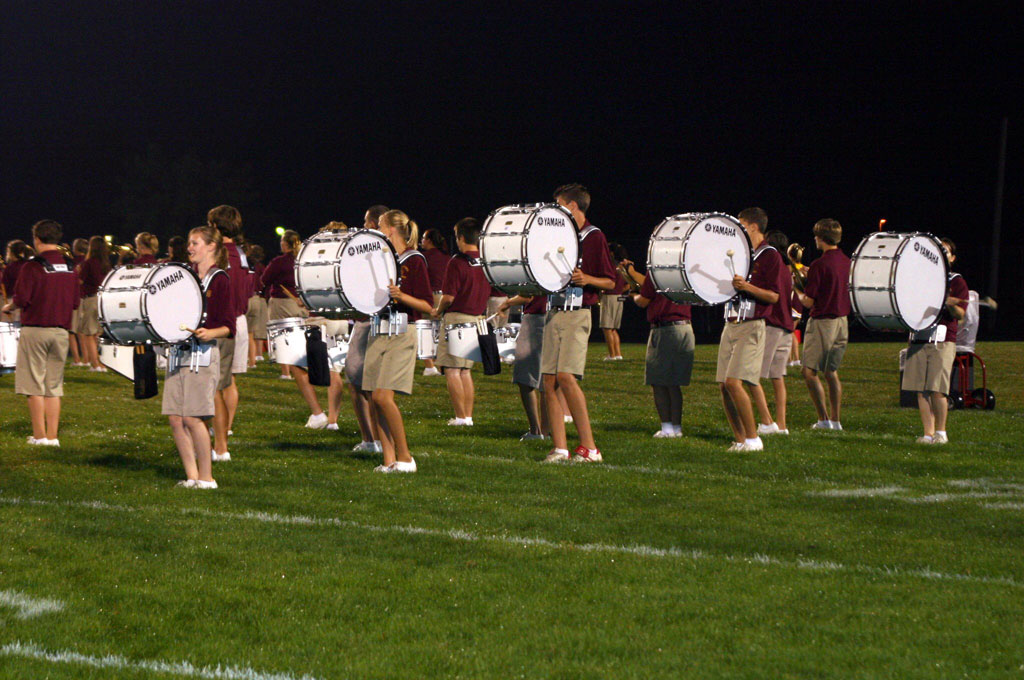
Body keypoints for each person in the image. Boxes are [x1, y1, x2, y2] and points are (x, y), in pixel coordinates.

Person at [541, 183, 617, 463]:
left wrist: (587, 279)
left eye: (560, 204)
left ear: (573, 206)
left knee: (566, 377)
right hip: (554, 310)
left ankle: (590, 447)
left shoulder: (594, 236)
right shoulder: (556, 236)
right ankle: (560, 447)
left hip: (577, 312)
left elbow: (610, 281)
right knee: (549, 381)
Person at [363, 210, 434, 472]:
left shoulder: (414, 260)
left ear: (392, 229)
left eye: (380, 225)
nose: (376, 229)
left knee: (383, 397)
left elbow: (427, 305)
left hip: (402, 332)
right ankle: (388, 460)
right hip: (379, 329)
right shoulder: (384, 259)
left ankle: (405, 457)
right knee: (373, 396)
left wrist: (401, 296)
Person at [163, 225, 233, 489]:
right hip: (178, 351)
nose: (190, 248)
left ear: (211, 246)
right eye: (189, 243)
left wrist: (209, 332)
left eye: (195, 243)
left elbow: (229, 327)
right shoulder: (185, 276)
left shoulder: (220, 279)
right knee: (175, 417)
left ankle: (207, 477)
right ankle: (191, 476)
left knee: (193, 417)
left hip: (203, 354)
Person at [2, 220, 80, 446]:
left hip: (35, 330)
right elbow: (75, 302)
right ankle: (52, 437)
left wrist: (9, 307)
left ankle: (39, 436)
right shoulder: (70, 266)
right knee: (53, 387)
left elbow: (22, 298)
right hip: (61, 332)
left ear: (36, 239)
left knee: (33, 385)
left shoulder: (32, 266)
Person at [717, 207, 784, 452]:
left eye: (742, 225)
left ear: (754, 227)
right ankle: (740, 439)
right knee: (724, 386)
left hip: (752, 324)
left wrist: (746, 287)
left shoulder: (770, 256)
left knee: (734, 383)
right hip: (731, 322)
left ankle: (754, 438)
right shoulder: (742, 254)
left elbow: (774, 296)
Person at [262, 228, 330, 431]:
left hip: (283, 306)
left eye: (283, 241)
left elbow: (264, 280)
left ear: (287, 244)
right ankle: (323, 413)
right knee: (301, 358)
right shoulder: (306, 259)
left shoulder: (280, 262)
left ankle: (318, 413)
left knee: (294, 361)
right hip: (304, 308)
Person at [902, 238, 968, 444]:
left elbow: (960, 314)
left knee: (938, 389)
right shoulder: (922, 278)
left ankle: (941, 433)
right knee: (921, 391)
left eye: (947, 252)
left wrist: (948, 302)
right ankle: (928, 433)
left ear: (953, 258)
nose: (942, 255)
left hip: (942, 339)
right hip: (919, 337)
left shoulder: (956, 281)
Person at [432, 217, 490, 426]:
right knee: (465, 371)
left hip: (457, 318)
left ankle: (460, 417)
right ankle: (468, 416)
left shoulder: (457, 261)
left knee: (452, 370)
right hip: (477, 318)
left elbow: (448, 298)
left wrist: (437, 311)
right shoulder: (484, 261)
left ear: (461, 237)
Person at [798, 218, 851, 431]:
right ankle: (836, 421)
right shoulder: (847, 261)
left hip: (822, 323)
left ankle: (823, 419)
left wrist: (796, 290)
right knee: (831, 372)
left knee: (809, 372)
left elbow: (808, 301)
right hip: (842, 322)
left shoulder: (820, 264)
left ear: (821, 238)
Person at [207, 205, 250, 452]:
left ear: (215, 225)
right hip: (240, 319)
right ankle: (227, 427)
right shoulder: (241, 252)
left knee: (216, 383)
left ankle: (220, 440)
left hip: (224, 323)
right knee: (229, 381)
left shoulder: (218, 253)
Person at [632, 270, 694, 438]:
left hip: (665, 329)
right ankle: (676, 427)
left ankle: (667, 427)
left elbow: (644, 300)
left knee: (658, 382)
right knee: (673, 383)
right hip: (685, 327)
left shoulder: (656, 271)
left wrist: (634, 296)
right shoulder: (683, 270)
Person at [750, 229, 795, 436]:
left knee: (752, 376)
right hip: (787, 326)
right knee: (778, 377)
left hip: (772, 324)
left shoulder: (773, 265)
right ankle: (782, 425)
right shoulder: (788, 269)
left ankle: (767, 422)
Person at [499, 293, 550, 440]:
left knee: (525, 376)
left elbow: (529, 296)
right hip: (556, 317)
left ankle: (537, 431)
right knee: (548, 378)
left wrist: (507, 302)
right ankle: (546, 431)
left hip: (536, 318)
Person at [76, 236, 111, 372]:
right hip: (103, 299)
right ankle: (101, 363)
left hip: (91, 299)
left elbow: (80, 281)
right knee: (97, 333)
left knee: (89, 334)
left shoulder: (89, 262)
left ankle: (95, 364)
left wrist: (78, 273)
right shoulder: (106, 263)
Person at [420, 228, 450, 377]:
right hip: (444, 297)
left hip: (429, 296)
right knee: (442, 332)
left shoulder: (423, 257)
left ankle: (429, 367)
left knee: (425, 331)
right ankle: (442, 364)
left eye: (424, 238)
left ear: (430, 240)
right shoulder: (447, 257)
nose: (421, 241)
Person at [599, 242, 630, 361]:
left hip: (609, 297)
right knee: (613, 329)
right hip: (619, 298)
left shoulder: (611, 266)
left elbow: (607, 283)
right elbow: (628, 286)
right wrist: (619, 291)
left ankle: (612, 355)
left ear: (611, 253)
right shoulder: (622, 267)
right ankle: (618, 354)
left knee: (607, 328)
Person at [244, 243, 268, 366]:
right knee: (251, 333)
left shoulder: (243, 265)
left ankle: (243, 359)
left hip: (247, 298)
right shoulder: (261, 267)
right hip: (258, 298)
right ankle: (253, 361)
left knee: (243, 332)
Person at [68, 238, 89, 366]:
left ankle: (77, 359)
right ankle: (87, 359)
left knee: (71, 331)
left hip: (75, 297)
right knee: (83, 331)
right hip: (86, 298)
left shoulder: (73, 263)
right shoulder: (89, 262)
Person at [2, 240, 34, 322]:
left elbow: (4, 286)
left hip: (12, 302)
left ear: (11, 253)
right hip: (29, 303)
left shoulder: (10, 268)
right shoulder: (31, 265)